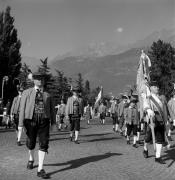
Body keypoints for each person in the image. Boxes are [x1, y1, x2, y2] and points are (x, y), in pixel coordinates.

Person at [19, 71, 54, 179]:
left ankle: (40, 169)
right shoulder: (26, 92)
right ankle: (31, 159)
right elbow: (22, 109)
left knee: (44, 143)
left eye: (42, 79)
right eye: (38, 79)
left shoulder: (48, 94)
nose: (40, 80)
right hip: (30, 121)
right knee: (31, 143)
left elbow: (52, 110)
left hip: (44, 121)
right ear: (34, 80)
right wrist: (20, 123)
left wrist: (54, 123)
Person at [142, 80, 168, 164]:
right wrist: (148, 109)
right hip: (152, 119)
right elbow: (145, 104)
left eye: (157, 86)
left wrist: (166, 119)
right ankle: (145, 149)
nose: (157, 88)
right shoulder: (148, 97)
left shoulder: (160, 98)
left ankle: (158, 157)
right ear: (151, 88)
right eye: (155, 86)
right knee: (148, 138)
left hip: (160, 120)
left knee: (160, 138)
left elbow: (164, 110)